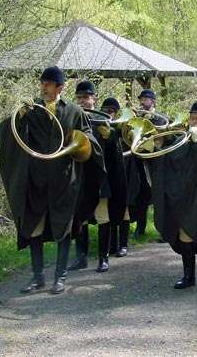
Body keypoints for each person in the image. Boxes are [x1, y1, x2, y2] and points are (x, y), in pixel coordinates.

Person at [0, 66, 103, 294]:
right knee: (34, 226)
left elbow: (89, 141)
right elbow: (5, 132)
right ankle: (38, 278)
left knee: (63, 228)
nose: (43, 87)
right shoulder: (31, 109)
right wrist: (19, 115)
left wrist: (83, 144)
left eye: (47, 84)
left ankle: (60, 278)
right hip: (36, 179)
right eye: (42, 83)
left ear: (60, 88)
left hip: (64, 180)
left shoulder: (74, 111)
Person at [149, 100, 197, 293]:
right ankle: (188, 276)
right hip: (185, 198)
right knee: (185, 238)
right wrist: (156, 148)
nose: (193, 122)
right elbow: (169, 159)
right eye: (191, 118)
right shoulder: (182, 139)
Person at [68, 83, 127, 273]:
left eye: (86, 97)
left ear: (94, 98)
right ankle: (81, 257)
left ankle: (104, 258)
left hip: (99, 177)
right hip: (79, 178)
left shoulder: (102, 121)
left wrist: (110, 137)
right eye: (79, 98)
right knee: (80, 218)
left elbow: (114, 152)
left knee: (103, 217)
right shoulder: (72, 118)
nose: (82, 101)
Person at [129, 89, 166, 238]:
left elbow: (163, 137)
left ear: (153, 101)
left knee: (159, 197)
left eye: (146, 99)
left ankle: (163, 231)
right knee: (141, 196)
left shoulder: (161, 118)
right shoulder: (137, 116)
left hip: (156, 161)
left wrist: (151, 120)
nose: (143, 102)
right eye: (141, 99)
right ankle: (140, 228)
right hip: (139, 159)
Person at [101, 97, 132, 258]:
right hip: (110, 171)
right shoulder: (101, 125)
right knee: (110, 208)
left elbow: (132, 142)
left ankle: (124, 244)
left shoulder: (124, 126)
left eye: (111, 111)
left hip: (126, 171)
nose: (108, 114)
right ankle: (112, 245)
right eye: (105, 111)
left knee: (124, 207)